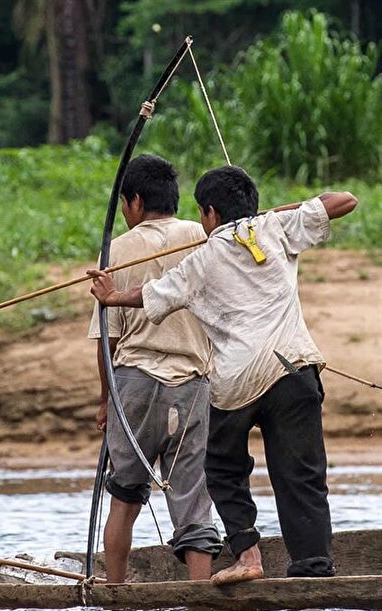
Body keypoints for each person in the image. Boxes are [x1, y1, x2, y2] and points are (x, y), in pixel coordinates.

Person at [88, 165, 358, 586]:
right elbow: (344, 199)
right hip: (294, 371)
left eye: (203, 213)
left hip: (237, 385)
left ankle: (248, 556)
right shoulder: (275, 228)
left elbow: (149, 296)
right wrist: (286, 212)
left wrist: (111, 296)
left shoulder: (204, 257)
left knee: (221, 469)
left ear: (211, 213)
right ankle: (313, 573)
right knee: (302, 477)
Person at [88, 155, 222, 583]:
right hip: (193, 383)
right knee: (192, 498)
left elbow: (107, 339)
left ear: (135, 202)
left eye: (125, 204)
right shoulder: (202, 237)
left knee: (124, 497)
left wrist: (106, 402)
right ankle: (200, 595)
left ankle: (115, 594)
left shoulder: (118, 251)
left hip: (134, 384)